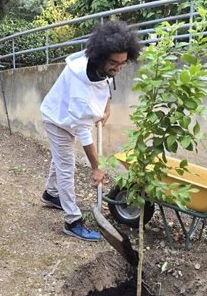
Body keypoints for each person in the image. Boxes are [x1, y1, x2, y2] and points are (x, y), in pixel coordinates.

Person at [40, 20, 140, 241]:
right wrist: (97, 167)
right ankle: (72, 221)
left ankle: (51, 194)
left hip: (68, 115)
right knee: (67, 167)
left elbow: (106, 83)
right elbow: (83, 131)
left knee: (60, 158)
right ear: (101, 56)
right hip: (57, 119)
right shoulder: (80, 87)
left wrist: (106, 107)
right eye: (114, 63)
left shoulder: (101, 66)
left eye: (123, 63)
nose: (118, 68)